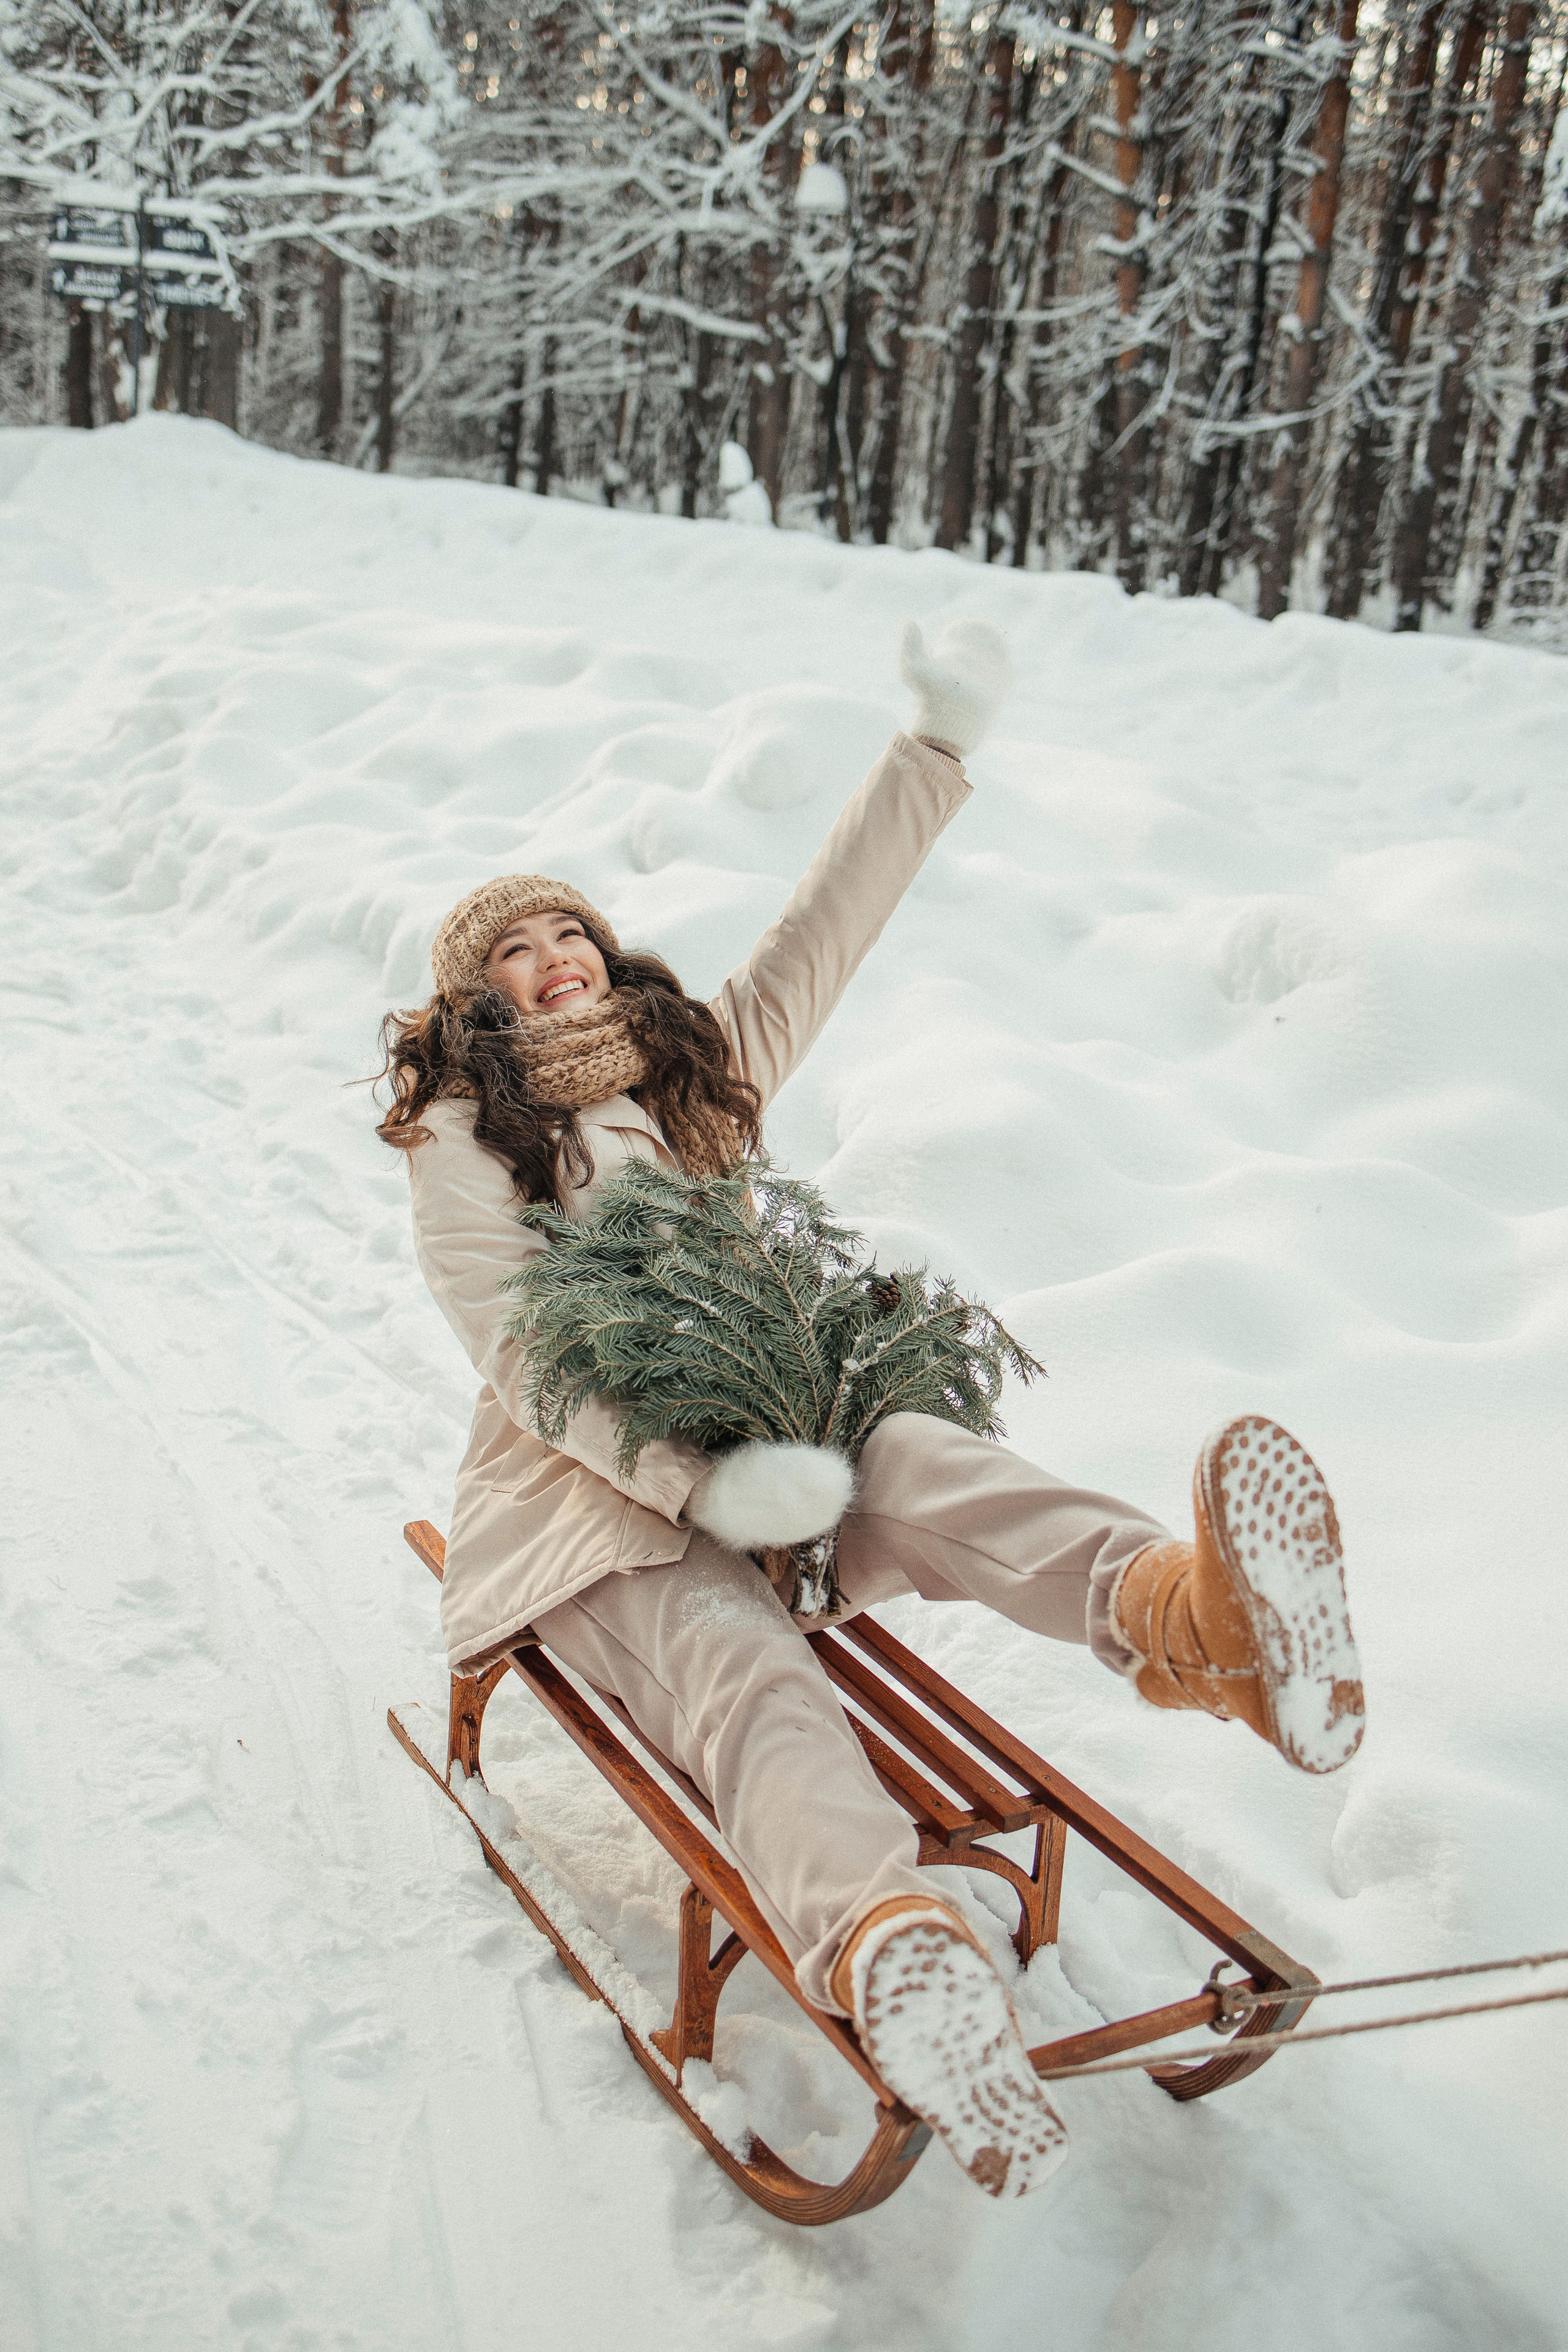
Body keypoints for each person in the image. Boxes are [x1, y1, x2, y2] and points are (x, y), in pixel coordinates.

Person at [375, 618, 1364, 2201]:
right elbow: (523, 1352)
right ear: (475, 998)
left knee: (926, 1456)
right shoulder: (463, 1133)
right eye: (516, 949)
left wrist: (935, 745)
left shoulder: (689, 1077)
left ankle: (1195, 1626)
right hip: (586, 1506)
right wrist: (699, 1487)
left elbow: (821, 930)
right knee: (741, 1671)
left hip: (784, 1442)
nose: (556, 954)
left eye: (572, 931)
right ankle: (892, 1947)